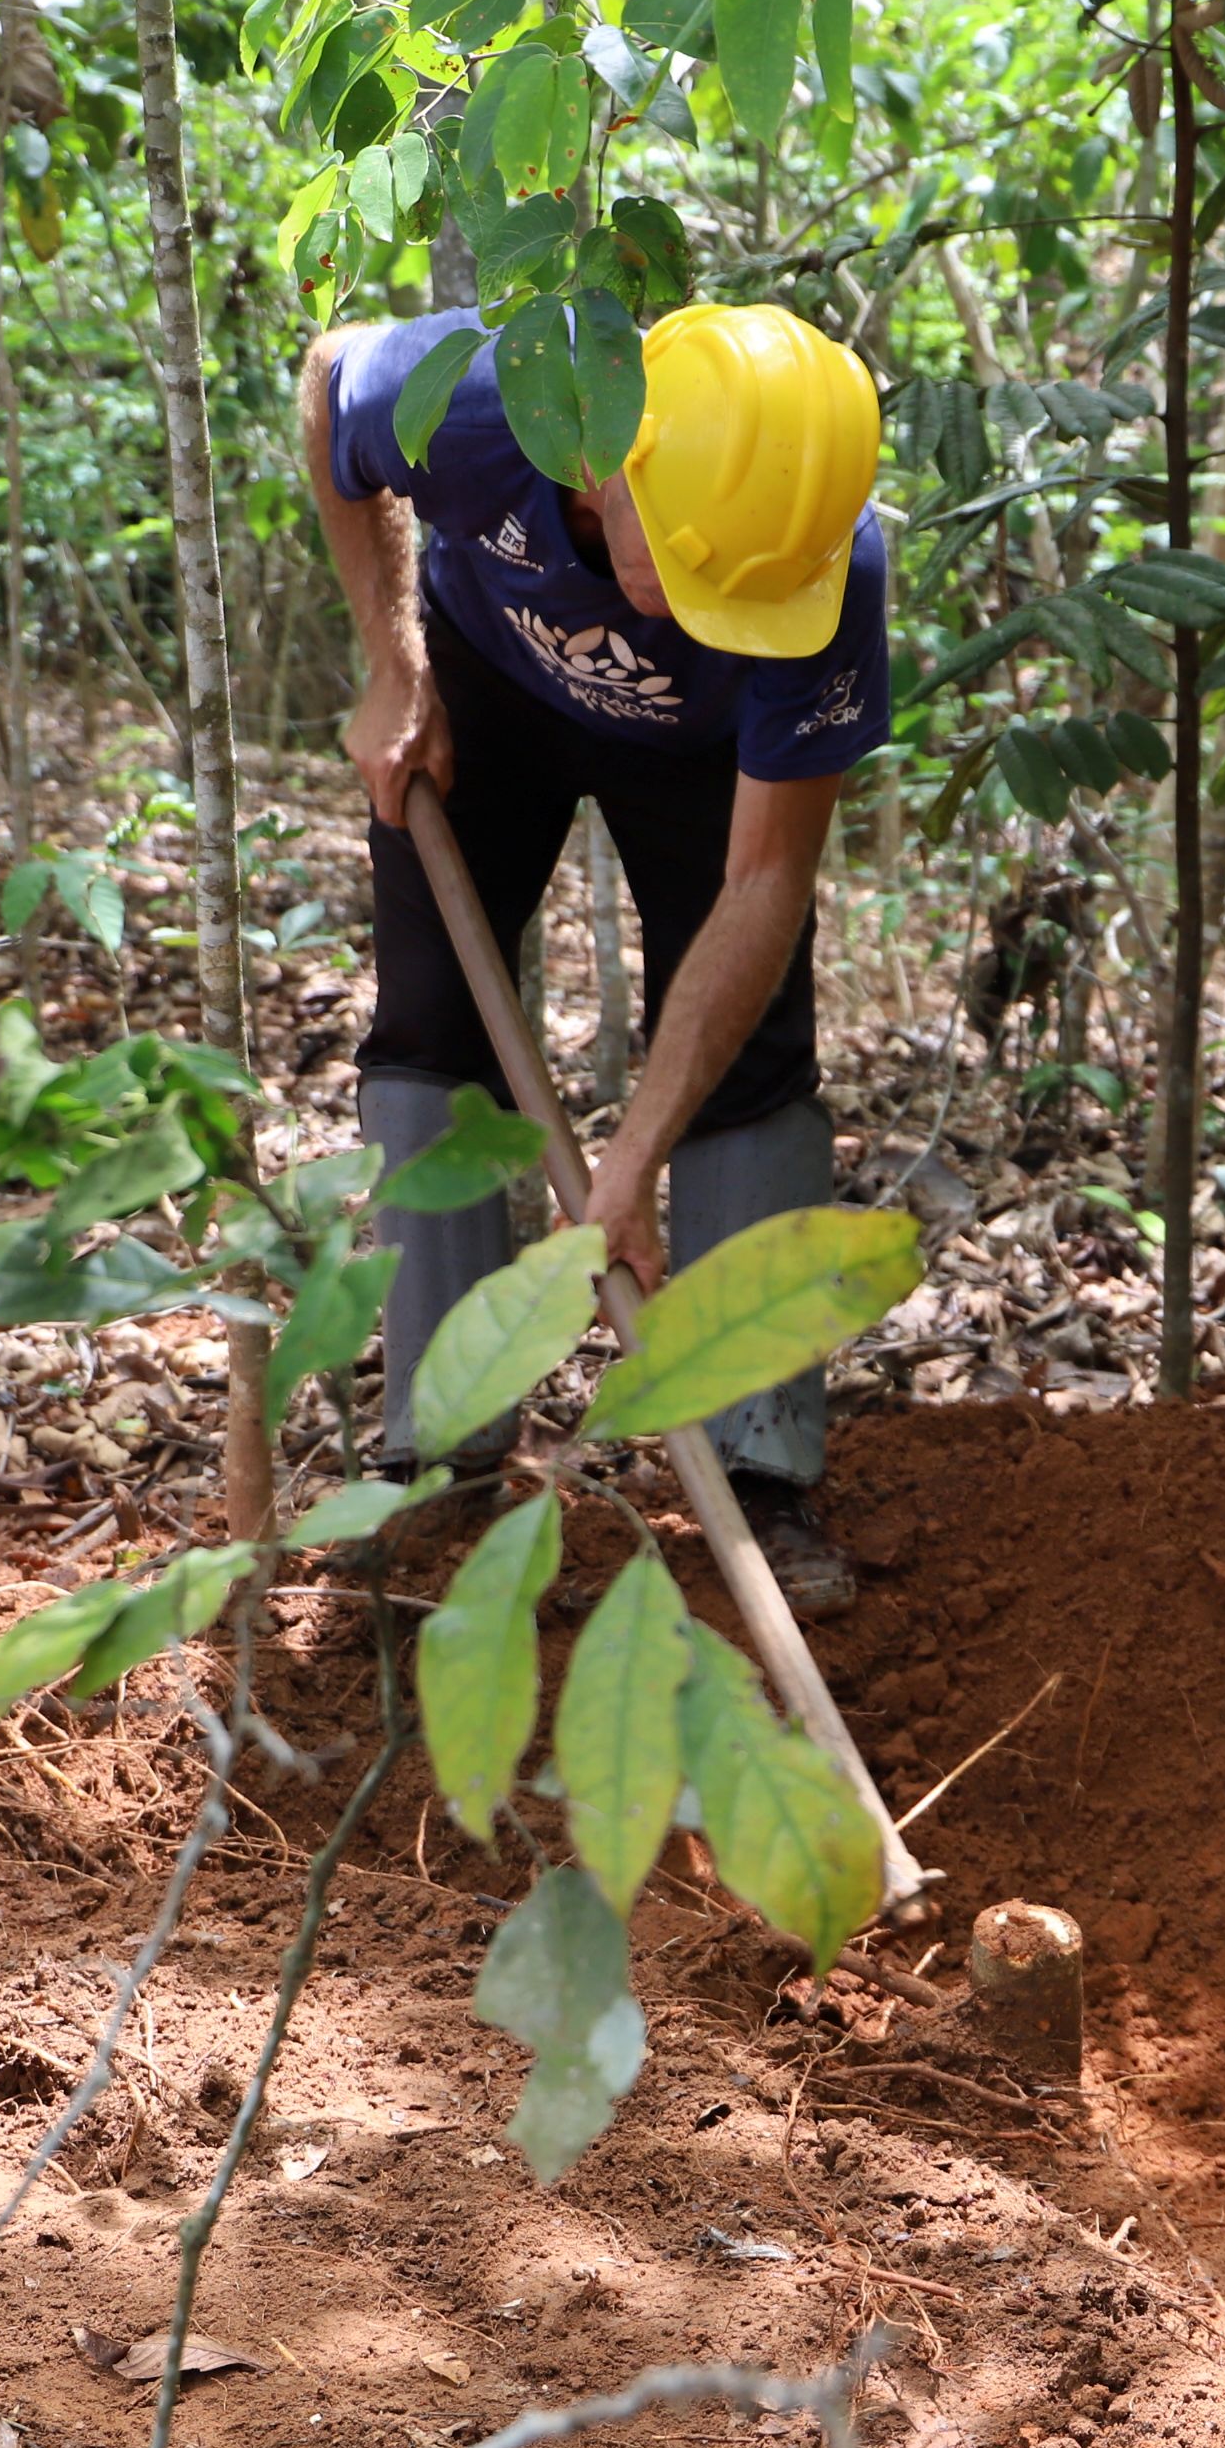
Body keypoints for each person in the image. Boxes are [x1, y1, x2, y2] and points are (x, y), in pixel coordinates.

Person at [300, 300, 886, 1608]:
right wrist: (393, 663)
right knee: (432, 1030)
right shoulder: (484, 400)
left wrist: (626, 1169)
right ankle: (438, 1453)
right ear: (605, 459)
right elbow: (330, 377)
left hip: (698, 761)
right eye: (683, 569)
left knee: (753, 1065)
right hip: (490, 683)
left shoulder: (825, 562)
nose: (699, 611)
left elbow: (766, 877)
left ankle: (758, 1472)